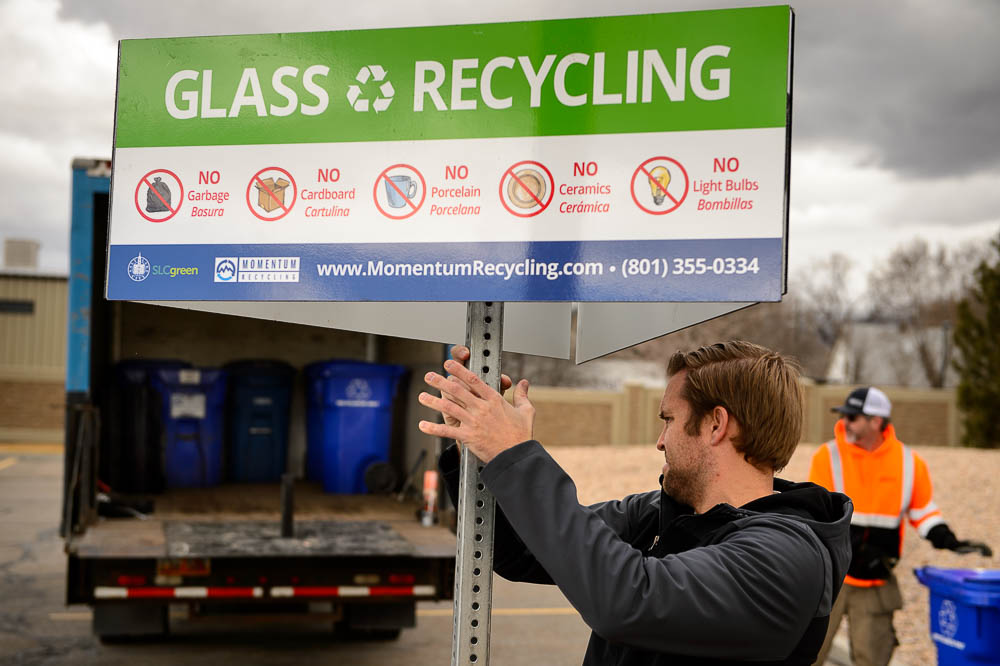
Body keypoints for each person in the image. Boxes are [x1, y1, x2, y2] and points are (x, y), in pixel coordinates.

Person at [418, 340, 853, 665]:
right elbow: (520, 551)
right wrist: (474, 447)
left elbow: (628, 600)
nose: (660, 442)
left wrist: (517, 455)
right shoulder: (664, 515)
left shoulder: (785, 558)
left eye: (669, 420)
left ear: (716, 425)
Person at [809, 386, 992, 666]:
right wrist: (855, 548)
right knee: (806, 654)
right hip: (830, 579)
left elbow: (924, 511)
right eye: (845, 415)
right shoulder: (827, 457)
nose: (845, 422)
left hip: (874, 581)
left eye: (854, 416)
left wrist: (948, 539)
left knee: (872, 659)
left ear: (876, 421)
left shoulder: (908, 463)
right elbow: (819, 513)